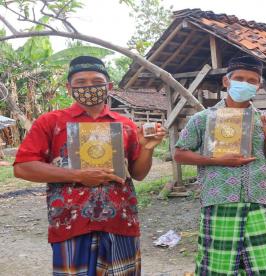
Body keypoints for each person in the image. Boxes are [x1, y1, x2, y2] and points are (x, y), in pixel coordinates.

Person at [13, 56, 166, 276]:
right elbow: (22, 167)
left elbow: (139, 174)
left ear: (108, 86)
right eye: (81, 82)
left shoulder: (125, 125)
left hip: (120, 223)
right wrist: (78, 175)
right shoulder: (51, 122)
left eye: (95, 81)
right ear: (69, 88)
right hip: (71, 225)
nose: (89, 87)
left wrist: (148, 148)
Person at [174, 55, 266, 276]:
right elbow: (179, 154)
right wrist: (216, 160)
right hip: (220, 202)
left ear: (258, 86)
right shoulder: (203, 118)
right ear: (226, 81)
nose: (244, 84)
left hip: (259, 201)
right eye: (239, 78)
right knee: (218, 268)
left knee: (262, 268)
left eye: (252, 80)